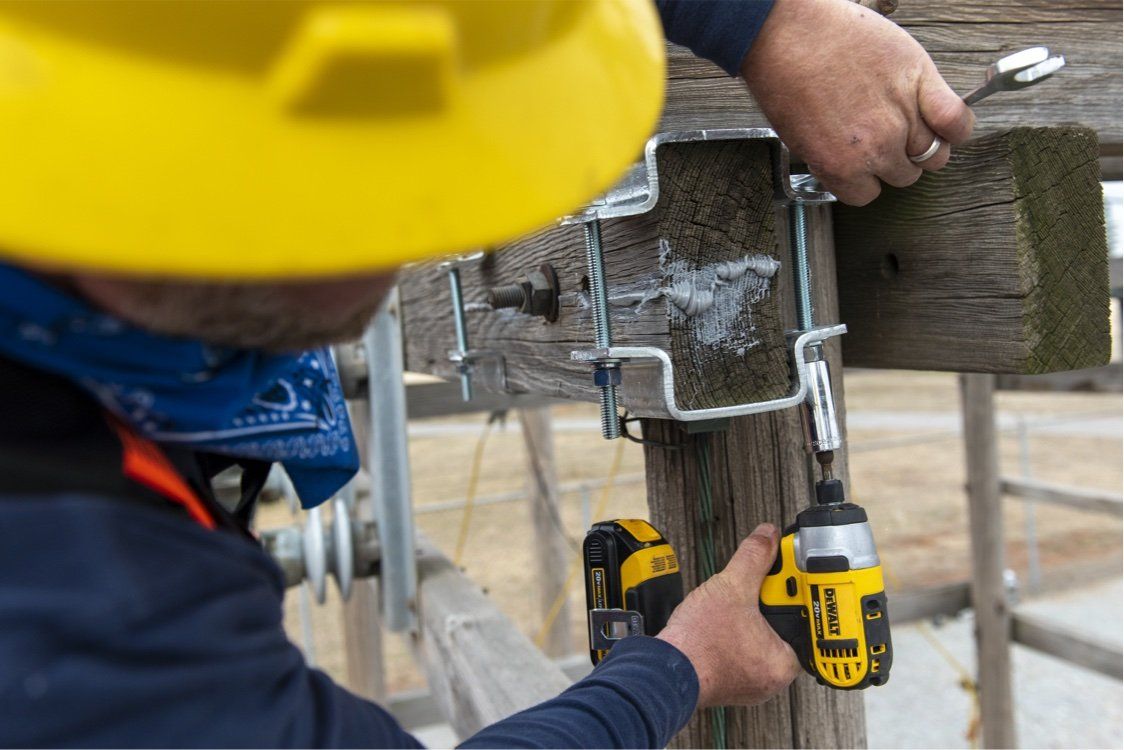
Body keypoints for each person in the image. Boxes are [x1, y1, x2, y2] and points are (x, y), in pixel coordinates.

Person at [0, 0, 972, 746]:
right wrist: (678, 668)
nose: (424, 226)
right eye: (374, 176)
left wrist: (765, 22)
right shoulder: (81, 600)